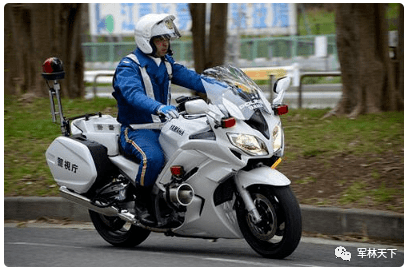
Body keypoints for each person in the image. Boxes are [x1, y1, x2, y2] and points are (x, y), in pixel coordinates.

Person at [112, 13, 206, 225]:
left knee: (192, 153)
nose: (165, 43)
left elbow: (194, 79)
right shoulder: (129, 66)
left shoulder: (165, 64)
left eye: (167, 39)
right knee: (153, 159)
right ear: (146, 41)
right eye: (159, 39)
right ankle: (142, 205)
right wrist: (159, 107)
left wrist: (224, 86)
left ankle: (177, 201)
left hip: (166, 127)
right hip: (137, 130)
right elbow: (133, 94)